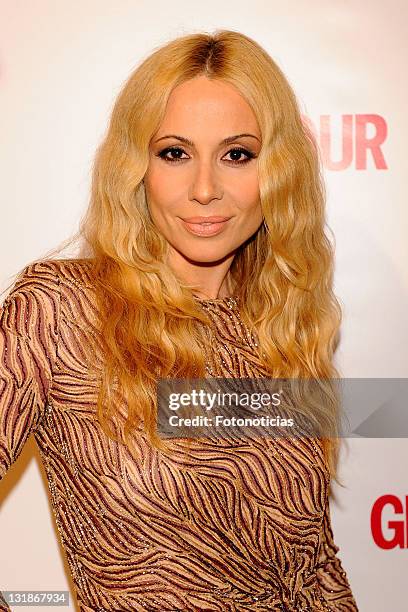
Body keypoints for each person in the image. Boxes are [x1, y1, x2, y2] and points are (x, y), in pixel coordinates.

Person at [0, 29, 358, 611]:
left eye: (237, 155)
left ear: (278, 172)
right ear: (136, 168)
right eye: (175, 153)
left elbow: (315, 566)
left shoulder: (282, 328)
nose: (205, 189)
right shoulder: (60, 312)